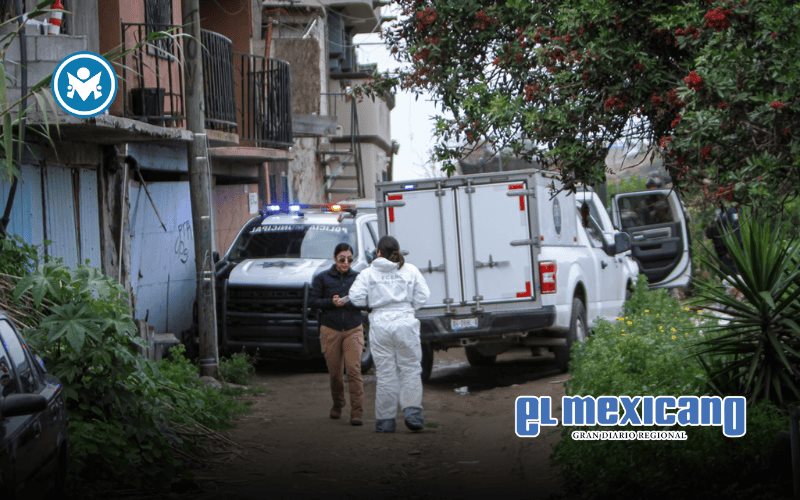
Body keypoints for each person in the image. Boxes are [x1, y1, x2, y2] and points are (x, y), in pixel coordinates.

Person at [348, 236, 431, 433]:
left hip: (380, 324)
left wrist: (370, 307)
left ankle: (385, 421)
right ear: (397, 250)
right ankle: (413, 413)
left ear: (378, 252)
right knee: (410, 369)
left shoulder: (368, 274)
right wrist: (408, 308)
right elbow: (423, 296)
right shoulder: (410, 270)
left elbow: (355, 297)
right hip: (405, 322)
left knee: (386, 373)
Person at [309, 243, 365, 426]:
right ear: (335, 259)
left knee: (354, 370)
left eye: (349, 259)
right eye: (342, 259)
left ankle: (357, 412)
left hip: (353, 328)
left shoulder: (359, 278)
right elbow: (313, 301)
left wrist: (349, 302)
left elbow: (367, 301)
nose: (345, 263)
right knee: (335, 373)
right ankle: (338, 403)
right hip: (330, 329)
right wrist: (331, 302)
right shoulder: (322, 278)